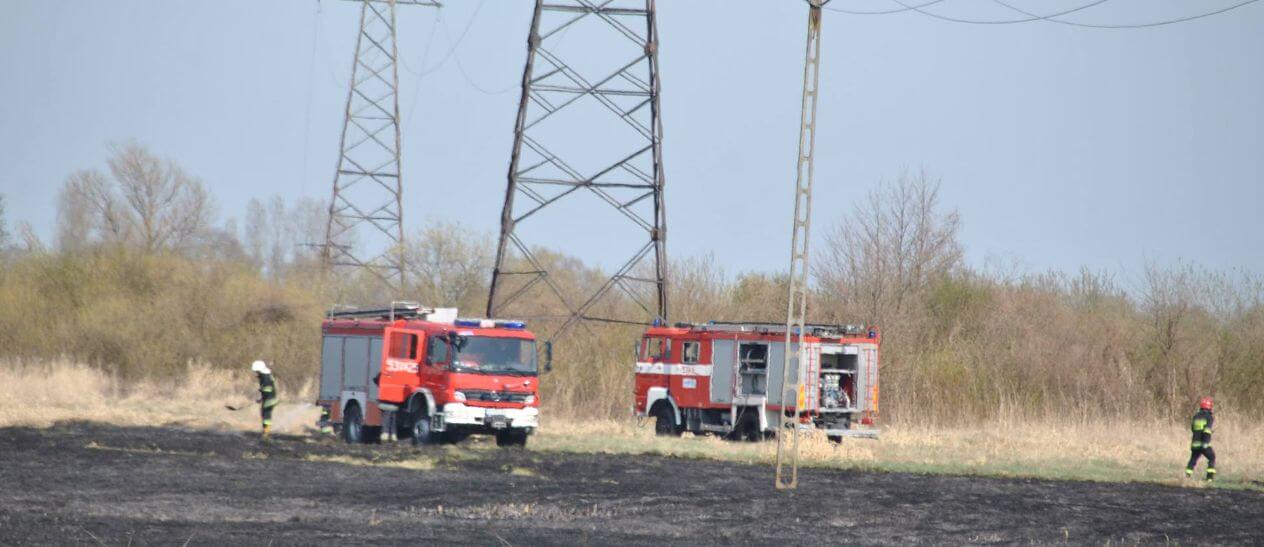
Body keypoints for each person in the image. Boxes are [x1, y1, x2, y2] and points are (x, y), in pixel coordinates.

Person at [1185, 396, 1216, 481]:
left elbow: (1193, 429)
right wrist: (1206, 443)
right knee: (1212, 458)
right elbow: (1206, 430)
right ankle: (1209, 478)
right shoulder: (1209, 417)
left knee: (1193, 460)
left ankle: (1187, 476)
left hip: (1195, 443)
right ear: (1210, 407)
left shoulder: (1196, 416)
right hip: (1204, 443)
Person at [252, 360, 279, 438]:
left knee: (266, 416)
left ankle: (266, 434)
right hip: (269, 399)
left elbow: (268, 389)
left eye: (256, 371)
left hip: (270, 400)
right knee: (264, 415)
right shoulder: (266, 375)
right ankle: (265, 432)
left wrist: (262, 390)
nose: (256, 373)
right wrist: (261, 398)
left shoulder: (265, 377)